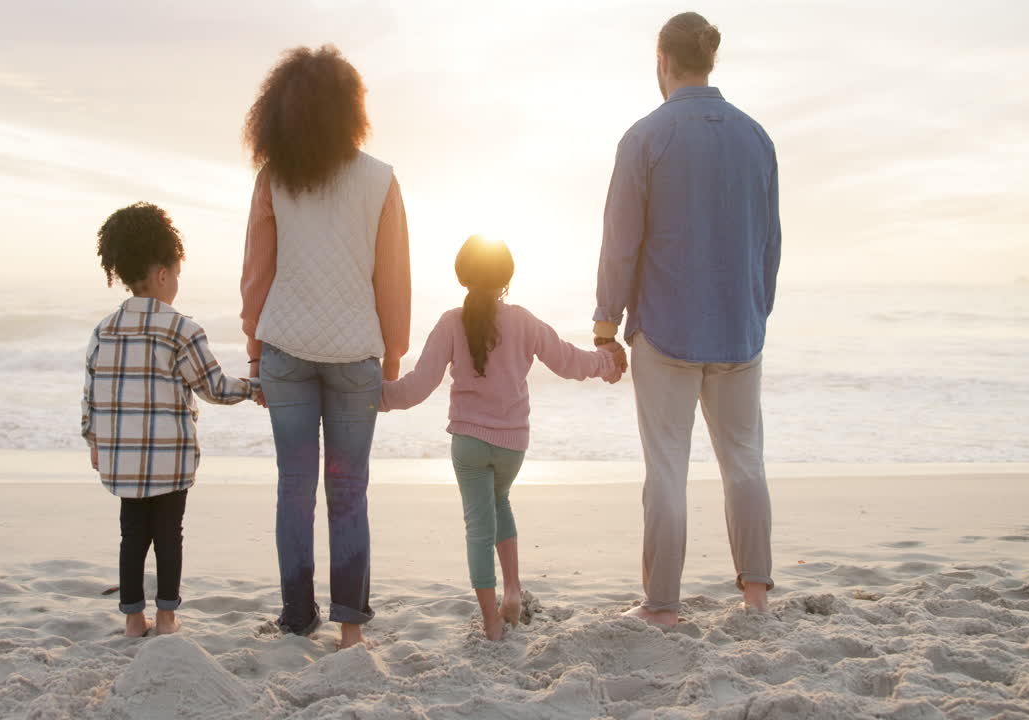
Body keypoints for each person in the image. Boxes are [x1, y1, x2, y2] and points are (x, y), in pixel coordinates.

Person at [594, 12, 782, 627]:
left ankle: (663, 606)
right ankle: (755, 595)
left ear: (662, 61)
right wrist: (756, 309)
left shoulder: (645, 137)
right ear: (708, 60)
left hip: (667, 330)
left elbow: (621, 242)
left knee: (667, 468)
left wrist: (605, 325)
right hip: (739, 328)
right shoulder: (757, 138)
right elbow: (770, 242)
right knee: (745, 460)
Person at [239, 45, 411, 650]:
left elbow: (256, 273)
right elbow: (392, 279)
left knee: (294, 485)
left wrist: (255, 354)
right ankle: (350, 631)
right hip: (354, 354)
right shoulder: (381, 179)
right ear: (351, 109)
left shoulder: (273, 179)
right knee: (349, 489)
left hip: (285, 347)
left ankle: (294, 618)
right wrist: (393, 355)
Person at [383, 235, 627, 641]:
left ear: (463, 275)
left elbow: (416, 388)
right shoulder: (524, 321)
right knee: (499, 502)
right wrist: (607, 363)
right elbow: (569, 361)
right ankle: (512, 590)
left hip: (469, 444)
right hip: (513, 445)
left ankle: (492, 623)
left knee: (479, 526)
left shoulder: (450, 322)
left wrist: (369, 395)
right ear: (506, 277)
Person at [81, 202, 260, 638]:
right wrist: (256, 387)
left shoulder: (104, 330)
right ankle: (165, 618)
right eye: (176, 274)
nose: (177, 282)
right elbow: (213, 387)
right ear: (163, 273)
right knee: (168, 536)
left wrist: (95, 443)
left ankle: (131, 619)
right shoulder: (181, 330)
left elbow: (92, 394)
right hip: (170, 460)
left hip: (124, 460)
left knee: (131, 536)